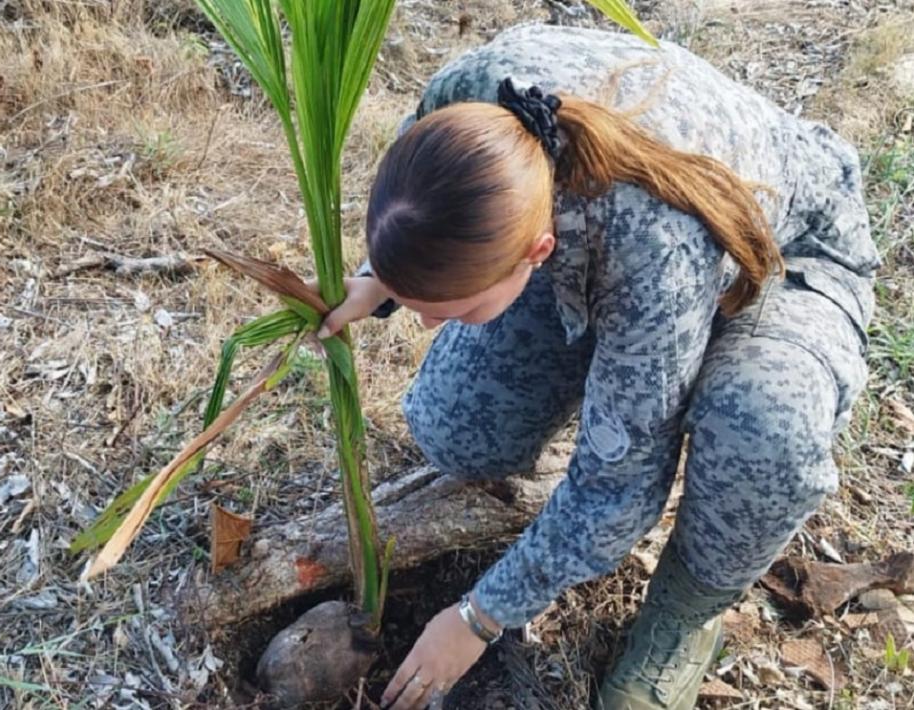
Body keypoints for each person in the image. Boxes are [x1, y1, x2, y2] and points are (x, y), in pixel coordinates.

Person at [316, 23, 878, 710]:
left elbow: (619, 488)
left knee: (763, 425)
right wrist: (381, 276)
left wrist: (479, 618)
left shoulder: (657, 252)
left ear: (536, 249)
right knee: (456, 432)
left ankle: (683, 613)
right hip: (618, 243)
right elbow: (422, 206)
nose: (429, 325)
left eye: (449, 311)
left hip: (781, 259)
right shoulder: (464, 101)